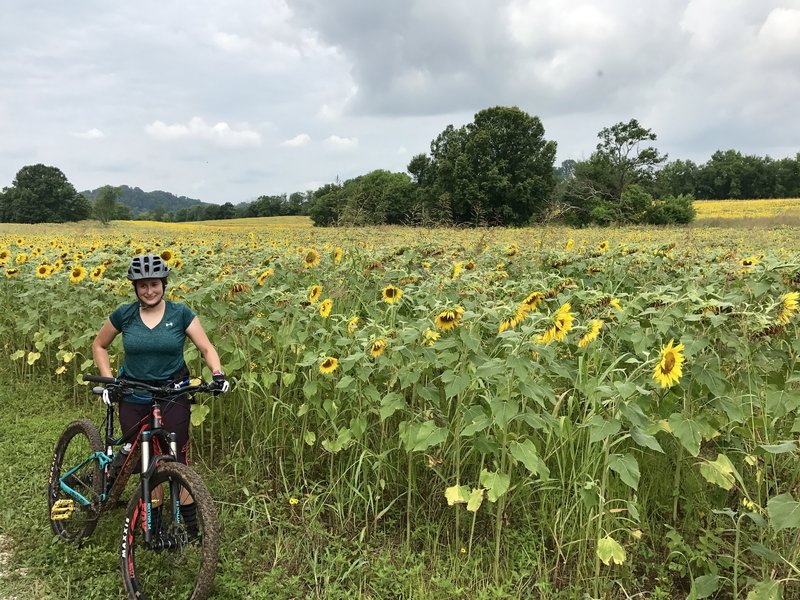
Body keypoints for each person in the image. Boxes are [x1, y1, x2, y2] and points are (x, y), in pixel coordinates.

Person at [91, 253, 229, 532]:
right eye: (142, 286)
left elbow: (206, 347)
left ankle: (190, 528)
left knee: (178, 458)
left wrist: (218, 374)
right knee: (146, 461)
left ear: (163, 283)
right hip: (133, 394)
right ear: (135, 288)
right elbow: (99, 345)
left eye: (154, 284)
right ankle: (151, 522)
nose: (149, 290)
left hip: (171, 394)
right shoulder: (125, 314)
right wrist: (109, 382)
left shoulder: (180, 314)